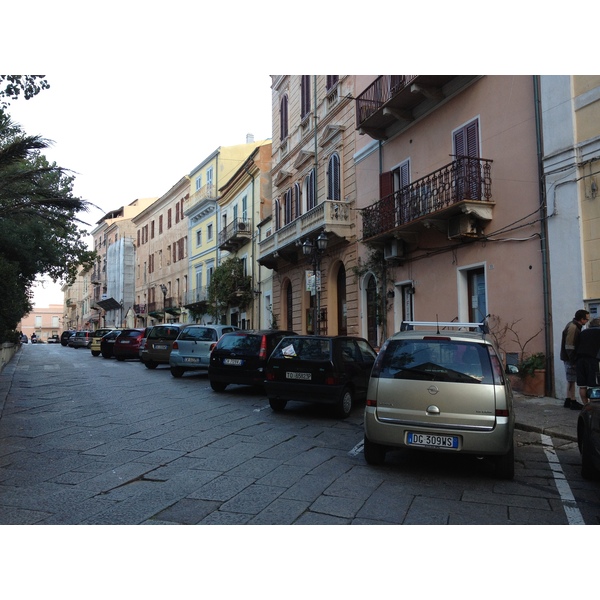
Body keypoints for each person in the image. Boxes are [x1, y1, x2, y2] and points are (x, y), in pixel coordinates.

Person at [560, 309, 589, 409]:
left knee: (570, 380)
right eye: (586, 319)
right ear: (581, 319)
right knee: (572, 378)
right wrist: (573, 360)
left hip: (568, 356)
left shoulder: (573, 325)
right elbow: (570, 346)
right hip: (570, 357)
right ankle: (572, 401)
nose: (587, 322)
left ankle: (568, 400)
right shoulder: (573, 327)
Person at [575, 317, 600, 407]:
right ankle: (594, 407)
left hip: (580, 360)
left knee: (582, 385)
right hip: (593, 360)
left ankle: (586, 405)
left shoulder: (583, 333)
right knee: (594, 385)